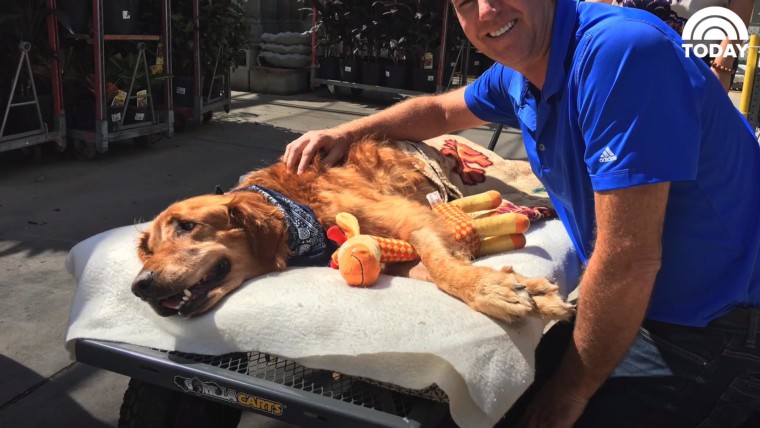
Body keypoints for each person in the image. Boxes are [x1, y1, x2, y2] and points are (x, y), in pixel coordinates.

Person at [285, 0, 760, 426]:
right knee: (479, 399)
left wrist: (568, 393)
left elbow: (628, 260)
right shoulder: (523, 69)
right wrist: (347, 134)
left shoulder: (618, 53)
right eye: (467, 2)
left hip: (711, 325)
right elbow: (441, 111)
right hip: (647, 304)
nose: (486, 11)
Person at [587, 0, 754, 92]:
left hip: (696, 61)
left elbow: (741, 8)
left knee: (685, 138)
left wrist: (722, 67)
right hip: (625, 55)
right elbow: (597, 4)